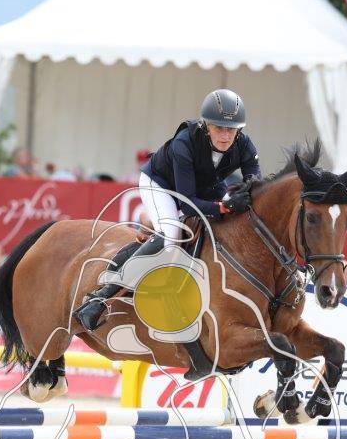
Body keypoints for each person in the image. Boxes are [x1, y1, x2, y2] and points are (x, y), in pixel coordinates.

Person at [75, 88, 260, 331]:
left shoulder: (244, 145)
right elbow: (187, 203)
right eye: (219, 128)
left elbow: (256, 185)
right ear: (206, 125)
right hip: (161, 185)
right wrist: (224, 207)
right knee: (172, 234)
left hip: (205, 185)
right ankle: (100, 297)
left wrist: (242, 199)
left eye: (231, 130)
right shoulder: (185, 142)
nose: (226, 136)